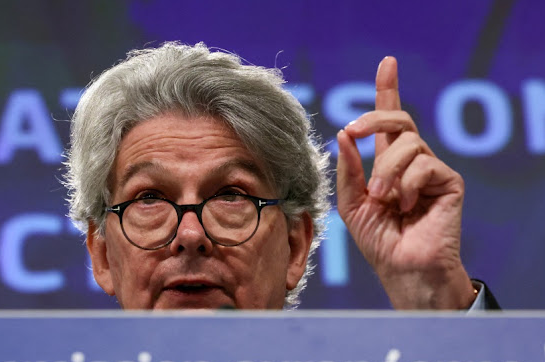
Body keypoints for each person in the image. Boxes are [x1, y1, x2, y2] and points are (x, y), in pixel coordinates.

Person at [64, 42, 498, 310]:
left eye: (231, 195)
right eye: (149, 198)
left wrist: (433, 296)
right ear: (102, 255)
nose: (191, 234)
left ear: (295, 246)